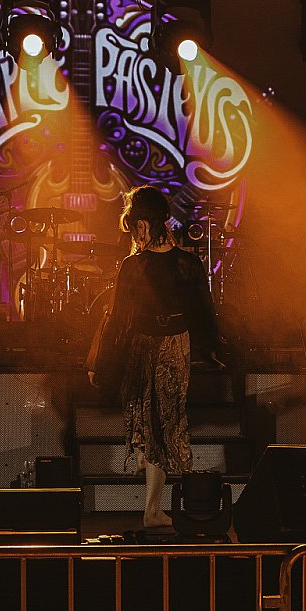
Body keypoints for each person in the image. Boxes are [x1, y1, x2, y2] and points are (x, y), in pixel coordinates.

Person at [88, 186, 221, 529]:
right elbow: (204, 313)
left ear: (143, 224)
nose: (134, 233)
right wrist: (211, 350)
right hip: (157, 345)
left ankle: (152, 505)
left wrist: (101, 363)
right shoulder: (180, 263)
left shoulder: (144, 265)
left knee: (156, 425)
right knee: (157, 425)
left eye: (134, 226)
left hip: (160, 345)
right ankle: (151, 506)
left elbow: (118, 319)